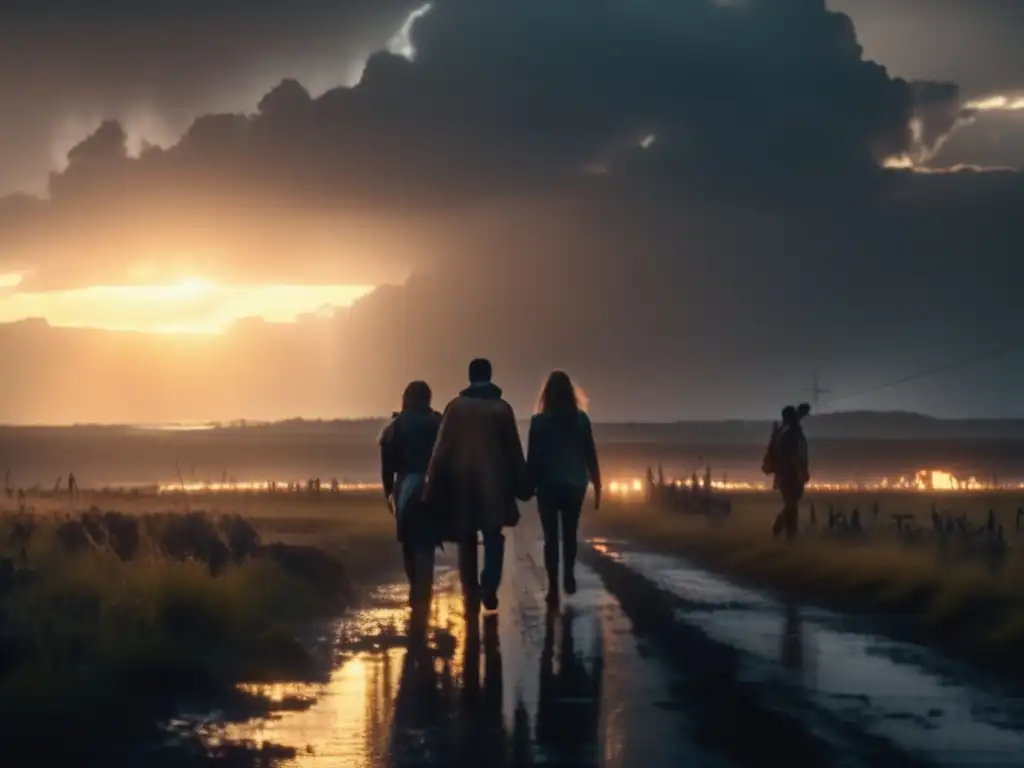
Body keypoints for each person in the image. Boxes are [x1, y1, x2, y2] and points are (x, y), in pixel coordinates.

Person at [424, 358, 530, 614]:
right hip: (494, 484)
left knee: (466, 537)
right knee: (493, 536)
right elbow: (514, 451)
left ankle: (470, 589)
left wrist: (432, 487)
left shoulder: (455, 408)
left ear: (469, 376)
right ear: (490, 375)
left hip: (461, 484)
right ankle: (489, 586)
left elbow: (441, 450)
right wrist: (523, 484)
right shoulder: (502, 409)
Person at [526, 371, 601, 607]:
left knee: (551, 538)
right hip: (574, 484)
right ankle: (568, 573)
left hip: (548, 485)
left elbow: (533, 459)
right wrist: (598, 484)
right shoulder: (581, 420)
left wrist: (527, 485)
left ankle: (553, 586)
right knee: (570, 532)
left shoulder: (539, 422)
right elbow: (590, 453)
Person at [379, 381, 443, 607]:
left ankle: (415, 587)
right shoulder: (438, 422)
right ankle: (423, 588)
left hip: (406, 487)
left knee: (407, 541)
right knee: (429, 542)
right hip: (434, 487)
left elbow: (387, 469)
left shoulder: (394, 427)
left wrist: (389, 494)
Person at [769, 403, 811, 539]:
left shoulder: (785, 431)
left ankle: (783, 529)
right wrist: (800, 471)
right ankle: (789, 534)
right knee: (791, 505)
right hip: (790, 475)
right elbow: (792, 456)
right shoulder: (790, 433)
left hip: (787, 475)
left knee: (791, 504)